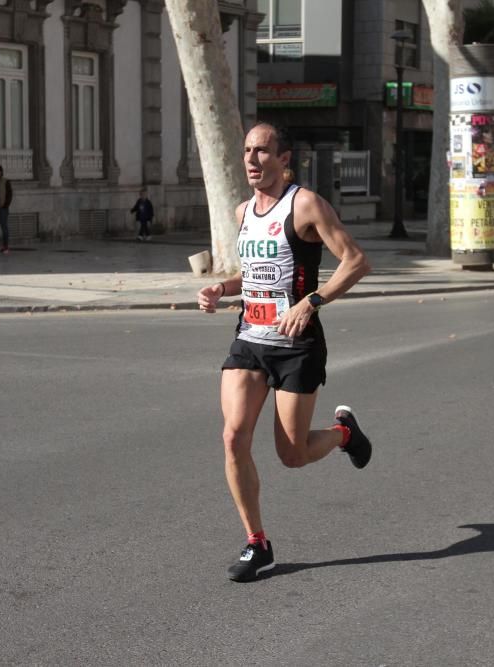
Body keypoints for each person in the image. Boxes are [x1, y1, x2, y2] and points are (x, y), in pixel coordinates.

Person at [196, 123, 373, 582]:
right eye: (247, 152)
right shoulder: (242, 212)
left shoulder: (306, 204)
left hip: (297, 347)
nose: (252, 160)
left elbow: (355, 261)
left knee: (291, 455)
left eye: (262, 152)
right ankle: (258, 544)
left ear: (284, 159)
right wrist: (221, 286)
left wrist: (311, 301)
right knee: (233, 437)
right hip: (250, 340)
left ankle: (343, 435)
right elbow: (253, 272)